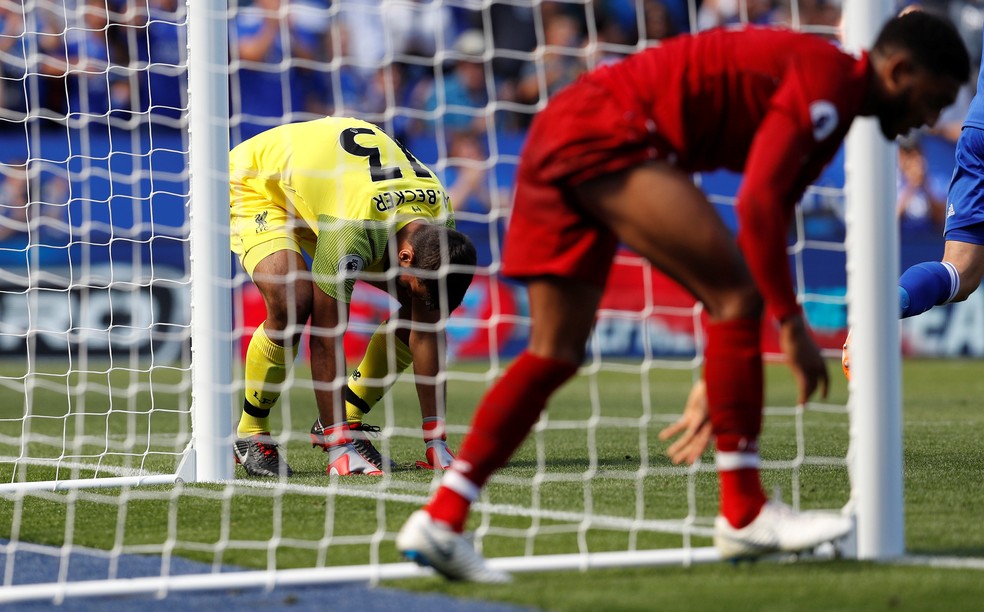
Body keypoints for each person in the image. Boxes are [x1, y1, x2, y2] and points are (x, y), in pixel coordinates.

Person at [395, 11, 968, 582]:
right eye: (936, 99)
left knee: (555, 352)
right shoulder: (831, 87)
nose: (934, 118)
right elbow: (756, 209)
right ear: (898, 70)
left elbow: (776, 207)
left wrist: (722, 372)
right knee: (738, 298)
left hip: (567, 128)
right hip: (610, 132)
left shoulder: (832, 105)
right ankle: (744, 513)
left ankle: (442, 518)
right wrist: (790, 324)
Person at [230, 116, 477, 478]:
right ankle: (251, 433)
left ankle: (347, 416)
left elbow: (427, 327)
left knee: (419, 309)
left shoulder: (440, 219)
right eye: (412, 280)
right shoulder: (351, 230)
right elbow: (327, 338)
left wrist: (435, 440)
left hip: (329, 194)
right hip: (260, 184)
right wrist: (339, 448)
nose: (410, 287)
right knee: (294, 302)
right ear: (405, 257)